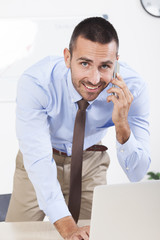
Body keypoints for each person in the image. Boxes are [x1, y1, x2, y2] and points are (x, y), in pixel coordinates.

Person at [6, 17, 150, 240]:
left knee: (98, 234)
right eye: (84, 63)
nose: (94, 79)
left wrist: (122, 124)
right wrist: (69, 229)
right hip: (40, 160)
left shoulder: (134, 88)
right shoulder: (36, 83)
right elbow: (39, 163)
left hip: (90, 161)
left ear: (116, 62)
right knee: (15, 234)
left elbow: (138, 172)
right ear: (67, 58)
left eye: (105, 66)